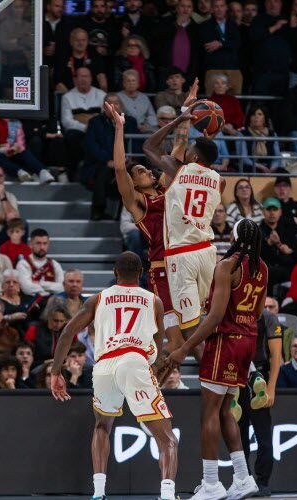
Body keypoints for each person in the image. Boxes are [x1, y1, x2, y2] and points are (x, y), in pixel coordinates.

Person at [51, 252, 178, 500]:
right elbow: (158, 344)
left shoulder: (98, 299)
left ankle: (99, 492)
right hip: (134, 361)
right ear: (141, 274)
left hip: (105, 365)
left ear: (114, 273)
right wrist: (150, 375)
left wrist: (56, 371)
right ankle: (168, 494)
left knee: (102, 426)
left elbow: (67, 332)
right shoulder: (154, 301)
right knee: (169, 439)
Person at [167, 218, 268, 500]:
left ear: (234, 237)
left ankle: (210, 483)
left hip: (226, 342)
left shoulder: (227, 266)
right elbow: (258, 312)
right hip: (248, 341)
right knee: (225, 412)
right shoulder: (262, 267)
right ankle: (243, 477)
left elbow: (215, 317)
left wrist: (184, 347)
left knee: (208, 413)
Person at [107, 99, 188, 363]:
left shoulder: (166, 187)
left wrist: (186, 113)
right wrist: (120, 128)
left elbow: (180, 146)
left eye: (144, 168)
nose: (145, 170)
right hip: (162, 270)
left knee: (186, 341)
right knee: (175, 342)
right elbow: (120, 167)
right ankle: (145, 379)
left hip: (185, 265)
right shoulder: (138, 203)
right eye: (138, 171)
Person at [143, 99, 225, 348]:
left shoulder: (177, 170)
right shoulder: (221, 181)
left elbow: (149, 146)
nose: (186, 151)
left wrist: (179, 121)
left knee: (190, 326)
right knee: (210, 318)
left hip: (182, 254)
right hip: (208, 252)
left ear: (195, 155)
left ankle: (214, 373)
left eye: (190, 150)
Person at [237, 307, 283, 496]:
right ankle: (243, 478)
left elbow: (276, 356)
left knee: (263, 435)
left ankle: (262, 481)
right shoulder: (232, 312)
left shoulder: (268, 317)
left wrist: (270, 388)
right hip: (235, 376)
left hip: (259, 378)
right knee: (238, 435)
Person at [84, 94, 141, 220]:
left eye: (116, 103)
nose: (114, 106)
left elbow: (136, 143)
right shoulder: (95, 122)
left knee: (134, 173)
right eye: (110, 103)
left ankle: (124, 213)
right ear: (104, 107)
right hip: (103, 162)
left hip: (127, 161)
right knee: (103, 171)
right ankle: (98, 210)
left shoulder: (130, 122)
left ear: (121, 105)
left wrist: (127, 159)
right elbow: (91, 145)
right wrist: (108, 160)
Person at [60, 66, 107, 180]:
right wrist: (85, 127)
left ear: (91, 79)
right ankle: (73, 173)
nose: (83, 79)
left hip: (98, 131)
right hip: (79, 132)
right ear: (75, 79)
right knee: (71, 136)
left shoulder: (101, 95)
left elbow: (105, 116)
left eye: (86, 76)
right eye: (80, 76)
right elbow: (66, 121)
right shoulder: (68, 97)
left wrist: (93, 129)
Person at [0, 117, 55, 183]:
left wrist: (17, 147)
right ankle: (20, 172)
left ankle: (42, 171)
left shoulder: (17, 123)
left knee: (25, 152)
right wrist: (5, 149)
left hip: (13, 151)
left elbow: (20, 140)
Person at [259, 196, 297, 291]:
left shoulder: (290, 231)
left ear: (280, 212)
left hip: (286, 275)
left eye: (275, 209)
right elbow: (254, 256)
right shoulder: (257, 231)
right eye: (268, 209)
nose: (272, 213)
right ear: (263, 212)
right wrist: (268, 244)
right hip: (265, 276)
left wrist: (290, 251)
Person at [248, 0, 293, 96]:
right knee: (260, 105)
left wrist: (295, 28)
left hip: (282, 72)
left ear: (280, 4)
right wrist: (275, 27)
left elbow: (295, 42)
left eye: (276, 1)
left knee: (280, 105)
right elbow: (254, 37)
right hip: (262, 72)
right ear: (265, 4)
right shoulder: (257, 20)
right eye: (269, 1)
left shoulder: (287, 21)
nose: (272, 4)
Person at [199, 0, 243, 93]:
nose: (219, 9)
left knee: (233, 101)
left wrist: (220, 44)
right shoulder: (204, 26)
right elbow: (208, 46)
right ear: (211, 9)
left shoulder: (234, 25)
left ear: (226, 8)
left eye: (222, 6)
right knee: (213, 103)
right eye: (216, 6)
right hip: (213, 69)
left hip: (233, 69)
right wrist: (228, 44)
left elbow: (237, 43)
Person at [154, 0, 203, 79]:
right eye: (182, 6)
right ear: (177, 8)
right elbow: (157, 44)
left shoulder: (197, 29)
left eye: (189, 7)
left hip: (189, 74)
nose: (185, 9)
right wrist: (175, 25)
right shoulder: (164, 24)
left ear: (192, 10)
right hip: (166, 73)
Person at [15, 228, 65, 296]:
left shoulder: (55, 265)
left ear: (48, 244)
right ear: (31, 244)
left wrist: (40, 283)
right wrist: (51, 288)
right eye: (38, 243)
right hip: (31, 304)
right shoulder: (23, 264)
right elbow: (27, 289)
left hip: (53, 305)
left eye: (45, 243)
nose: (42, 247)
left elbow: (62, 287)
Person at [237, 106, 283, 173]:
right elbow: (244, 158)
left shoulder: (272, 134)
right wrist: (261, 167)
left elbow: (277, 156)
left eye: (259, 114)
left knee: (283, 172)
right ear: (249, 118)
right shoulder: (242, 134)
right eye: (253, 115)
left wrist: (273, 167)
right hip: (251, 166)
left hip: (270, 166)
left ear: (264, 118)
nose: (256, 117)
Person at [0, 270, 37, 335]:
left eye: (15, 282)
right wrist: (11, 317)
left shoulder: (28, 299)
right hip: (6, 335)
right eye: (8, 282)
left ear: (19, 286)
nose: (11, 285)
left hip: (28, 335)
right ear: (2, 286)